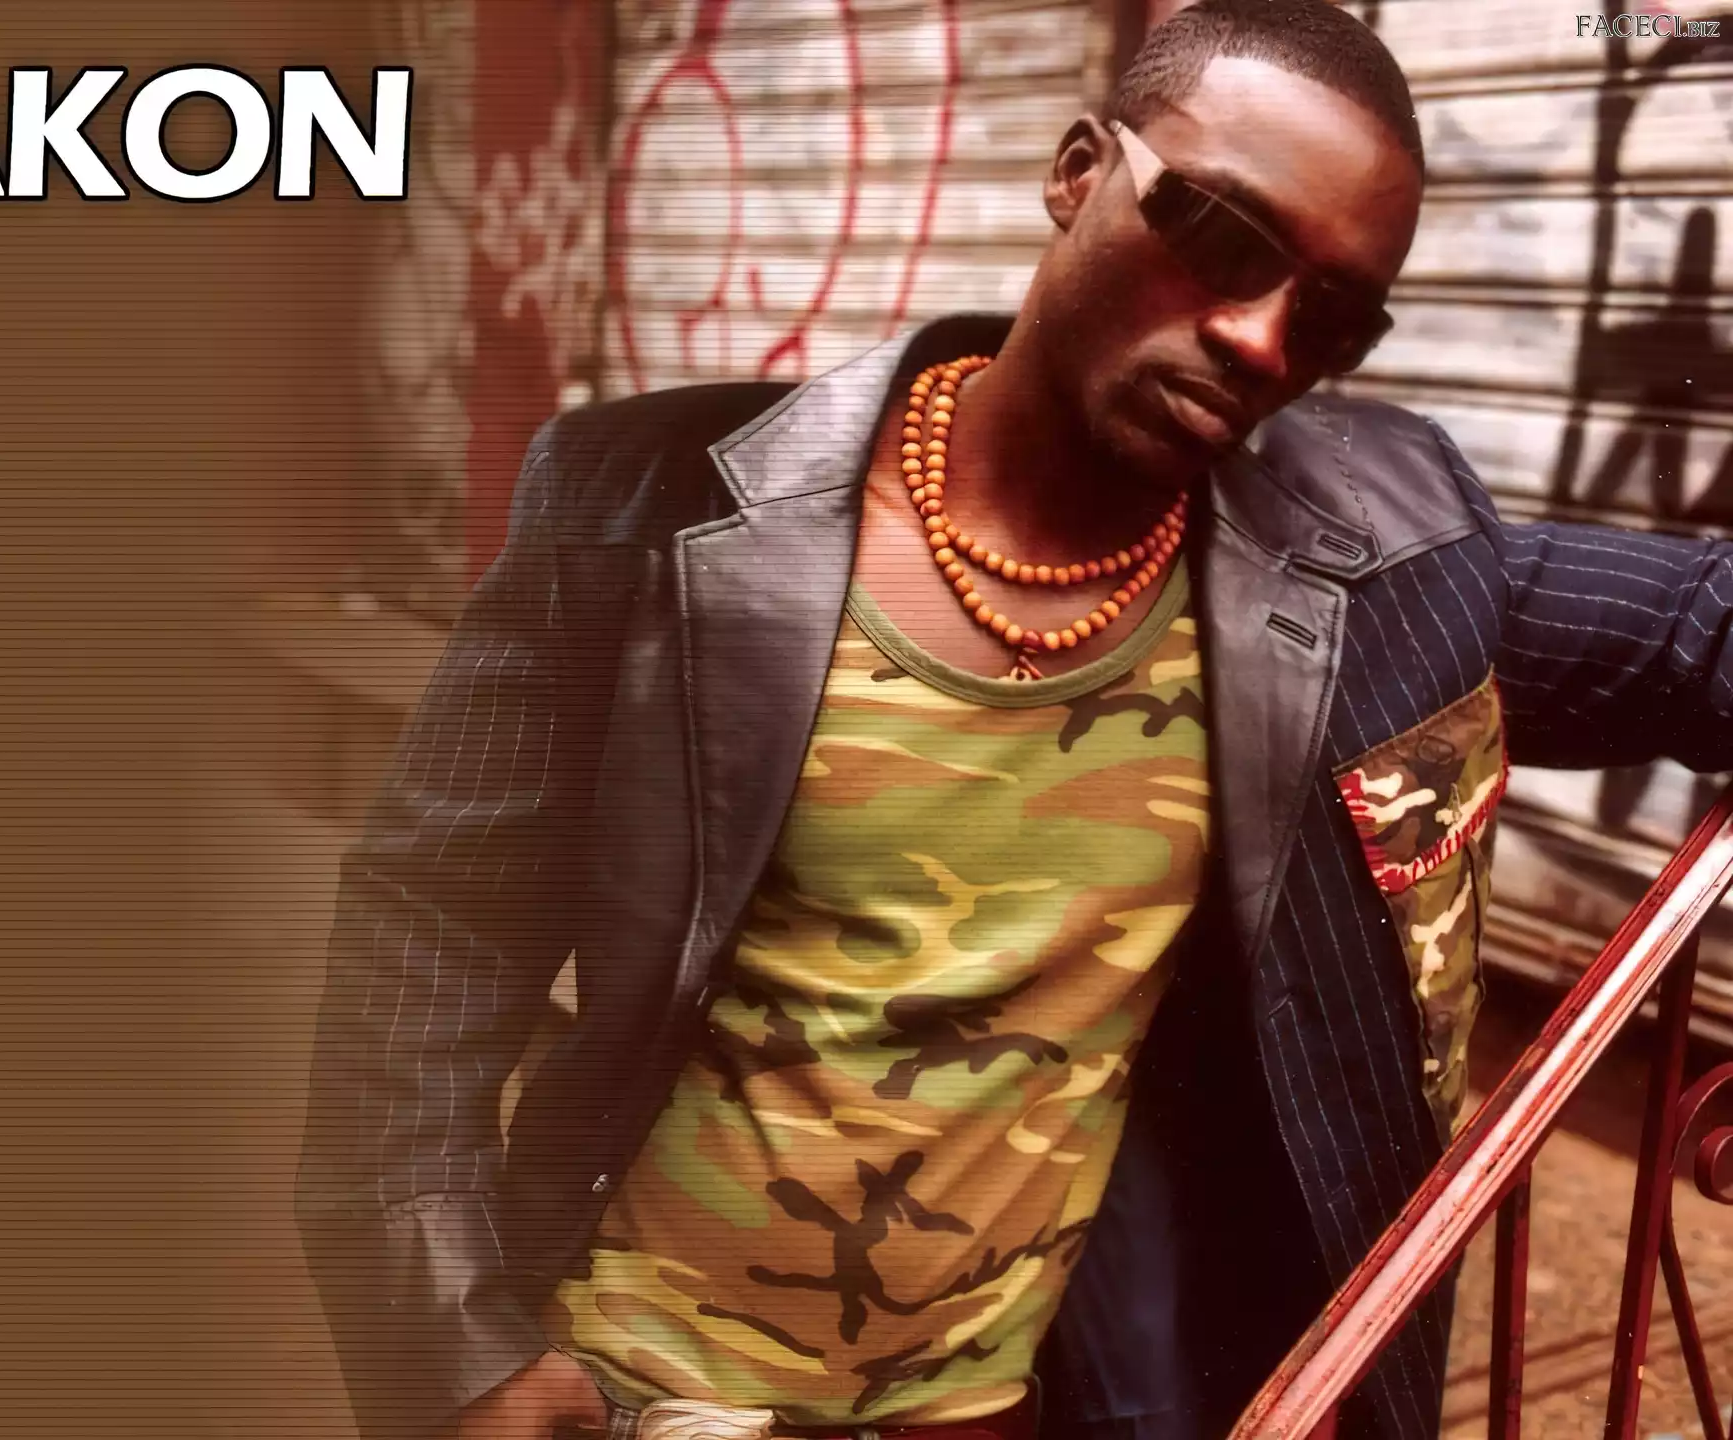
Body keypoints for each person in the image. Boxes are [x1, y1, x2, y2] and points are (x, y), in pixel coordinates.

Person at [294, 3, 1733, 1438]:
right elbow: (434, 929)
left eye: (1332, 318)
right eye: (1222, 234)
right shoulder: (647, 510)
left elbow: (1702, 627)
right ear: (1077, 169)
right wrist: (461, 1342)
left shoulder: (1377, 568)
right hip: (626, 1389)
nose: (1257, 337)